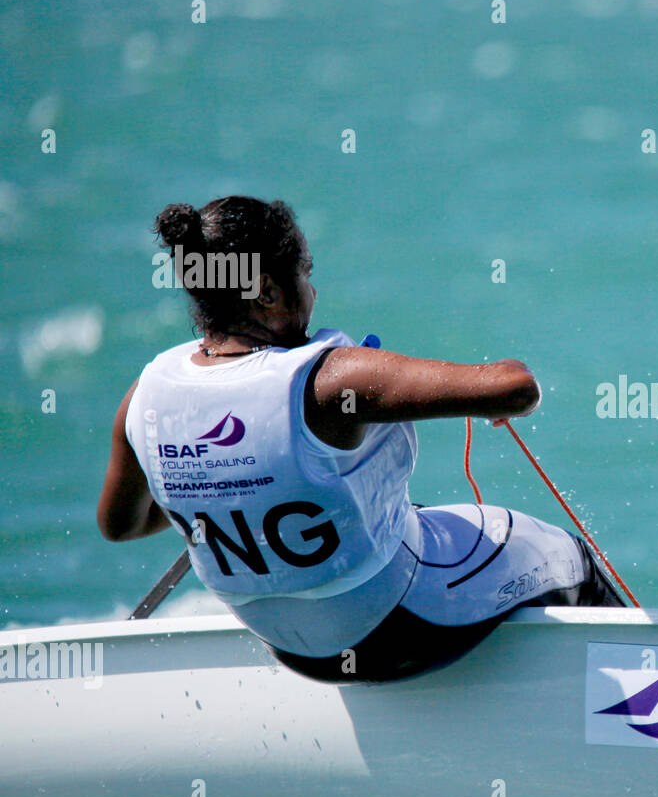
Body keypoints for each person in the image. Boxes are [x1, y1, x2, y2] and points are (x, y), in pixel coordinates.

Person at [97, 195, 622, 682]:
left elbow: (121, 525)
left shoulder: (144, 397)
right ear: (269, 294)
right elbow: (515, 388)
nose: (314, 291)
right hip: (403, 629)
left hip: (295, 651)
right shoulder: (331, 379)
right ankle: (651, 691)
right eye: (305, 274)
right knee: (560, 553)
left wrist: (225, 487)